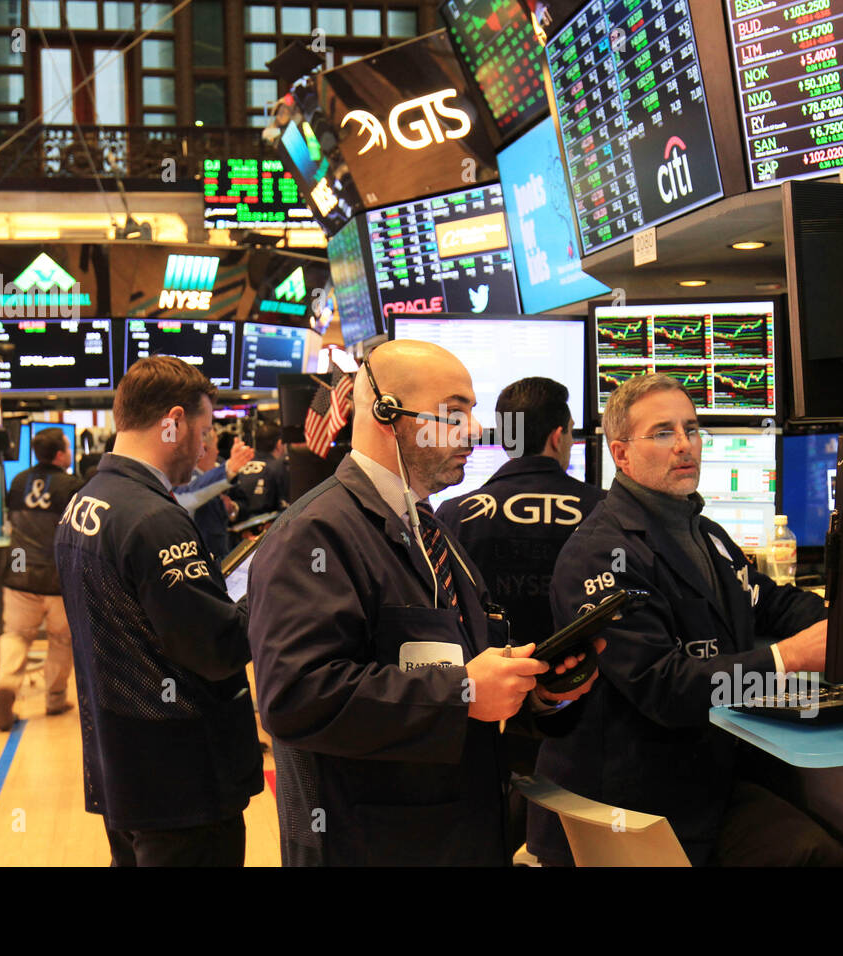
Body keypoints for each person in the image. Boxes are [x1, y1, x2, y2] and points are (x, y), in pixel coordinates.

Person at [247, 339, 600, 866]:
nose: (476, 432)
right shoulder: (315, 533)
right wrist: (462, 693)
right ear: (389, 414)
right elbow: (295, 694)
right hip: (370, 845)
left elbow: (456, 661)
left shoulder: (427, 524)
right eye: (454, 413)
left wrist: (531, 689)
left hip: (453, 832)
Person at [529, 372, 843, 866]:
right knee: (811, 857)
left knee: (828, 846)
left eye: (692, 429)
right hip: (630, 806)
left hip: (702, 780)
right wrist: (788, 658)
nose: (685, 445)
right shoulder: (601, 554)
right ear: (621, 454)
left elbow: (772, 603)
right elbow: (664, 687)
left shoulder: (706, 534)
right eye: (663, 433)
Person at [54, 356, 261, 867]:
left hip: (123, 764)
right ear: (173, 420)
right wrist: (274, 589)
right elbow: (216, 648)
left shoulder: (85, 502)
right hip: (182, 782)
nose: (202, 446)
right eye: (204, 429)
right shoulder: (153, 519)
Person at [435, 377, 604, 850]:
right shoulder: (604, 512)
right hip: (579, 715)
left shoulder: (452, 514)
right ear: (558, 436)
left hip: (483, 717)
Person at [0, 427, 83, 732]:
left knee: (17, 634)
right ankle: (55, 698)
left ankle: (6, 685)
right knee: (61, 639)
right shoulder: (72, 486)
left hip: (19, 573)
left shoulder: (18, 482)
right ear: (60, 454)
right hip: (57, 579)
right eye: (68, 447)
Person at [172, 426, 256, 560]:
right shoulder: (180, 480)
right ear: (203, 449)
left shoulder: (216, 474)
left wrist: (232, 509)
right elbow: (187, 495)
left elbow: (242, 505)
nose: (217, 452)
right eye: (215, 446)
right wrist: (229, 468)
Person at [229, 422, 289, 522]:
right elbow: (285, 507)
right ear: (279, 444)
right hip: (266, 528)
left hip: (236, 524)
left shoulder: (238, 465)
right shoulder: (279, 467)